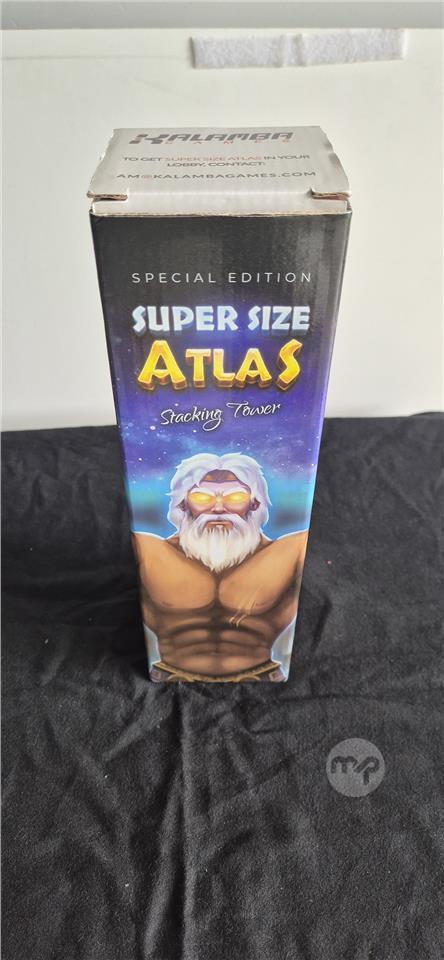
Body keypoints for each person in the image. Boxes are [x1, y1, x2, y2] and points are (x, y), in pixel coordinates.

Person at [133, 452, 308, 682]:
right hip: (168, 677)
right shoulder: (149, 550)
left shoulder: (288, 551)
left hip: (263, 678)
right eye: (202, 497)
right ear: (183, 504)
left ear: (254, 503)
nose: (218, 508)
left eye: (235, 497)